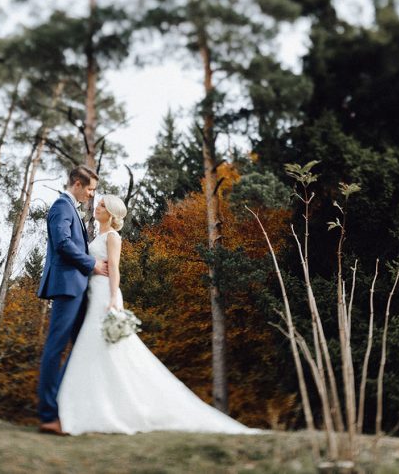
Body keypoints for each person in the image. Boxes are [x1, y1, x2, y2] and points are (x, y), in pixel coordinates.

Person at [56, 193, 259, 435]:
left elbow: (116, 270)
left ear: (111, 213)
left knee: (110, 349)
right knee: (95, 349)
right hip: (91, 295)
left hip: (104, 297)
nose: (97, 207)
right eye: (98, 204)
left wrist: (113, 299)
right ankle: (92, 406)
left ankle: (117, 409)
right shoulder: (96, 235)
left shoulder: (112, 237)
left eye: (101, 205)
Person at [35, 165, 108, 435]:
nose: (91, 195)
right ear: (77, 184)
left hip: (77, 287)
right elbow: (64, 244)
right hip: (66, 286)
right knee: (55, 348)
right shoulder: (61, 206)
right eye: (89, 189)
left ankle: (69, 407)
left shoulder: (71, 208)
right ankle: (48, 416)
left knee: (81, 347)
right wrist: (92, 264)